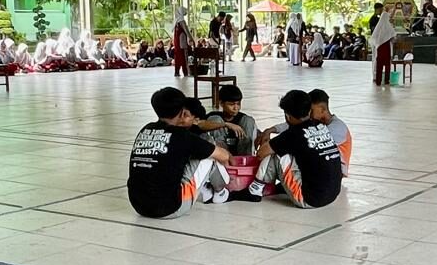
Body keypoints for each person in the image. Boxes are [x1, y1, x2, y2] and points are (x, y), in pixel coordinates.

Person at [128, 87, 230, 219]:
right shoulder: (182, 135)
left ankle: (205, 189)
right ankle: (220, 192)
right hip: (170, 208)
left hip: (139, 206)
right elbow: (223, 156)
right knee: (209, 151)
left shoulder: (145, 129)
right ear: (182, 112)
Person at [230, 90, 342, 208]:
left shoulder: (293, 134)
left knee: (275, 153)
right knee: (291, 150)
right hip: (332, 194)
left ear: (287, 116)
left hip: (310, 199)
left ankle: (254, 190)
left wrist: (266, 143)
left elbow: (261, 154)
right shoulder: (321, 127)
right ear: (309, 111)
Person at [259, 89, 352, 177]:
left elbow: (301, 131)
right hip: (321, 171)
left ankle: (258, 185)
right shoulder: (317, 125)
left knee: (280, 155)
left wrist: (279, 143)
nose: (308, 114)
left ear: (322, 109)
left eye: (311, 111)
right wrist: (271, 130)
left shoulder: (337, 128)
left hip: (332, 173)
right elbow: (299, 125)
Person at [204, 85, 257, 157]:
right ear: (221, 103)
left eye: (238, 104)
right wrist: (225, 124)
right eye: (231, 104)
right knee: (215, 120)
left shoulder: (244, 119)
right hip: (221, 157)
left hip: (242, 157)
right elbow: (199, 125)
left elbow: (256, 135)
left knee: (249, 120)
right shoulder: (213, 116)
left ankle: (246, 158)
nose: (236, 108)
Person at [370, 9, 395, 86]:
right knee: (387, 65)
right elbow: (393, 37)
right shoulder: (389, 27)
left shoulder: (378, 27)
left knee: (379, 64)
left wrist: (378, 43)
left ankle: (378, 81)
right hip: (387, 47)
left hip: (380, 48)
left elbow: (374, 37)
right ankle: (387, 81)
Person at [172, 7, 192, 77]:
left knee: (177, 57)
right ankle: (185, 72)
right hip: (182, 43)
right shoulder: (182, 21)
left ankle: (177, 72)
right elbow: (186, 31)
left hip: (177, 43)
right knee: (184, 57)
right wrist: (191, 38)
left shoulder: (176, 22)